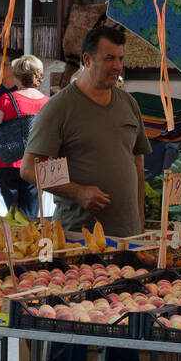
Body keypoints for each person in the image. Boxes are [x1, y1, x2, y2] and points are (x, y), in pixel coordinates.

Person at [21, 22, 150, 237]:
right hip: (79, 236)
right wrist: (78, 192)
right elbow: (28, 169)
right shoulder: (60, 107)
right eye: (109, 58)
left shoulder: (129, 103)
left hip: (129, 235)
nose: (117, 66)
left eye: (120, 58)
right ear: (87, 60)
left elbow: (136, 162)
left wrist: (139, 220)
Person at [0, 53, 47, 218]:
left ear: (17, 76)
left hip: (7, 165)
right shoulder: (48, 103)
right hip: (36, 166)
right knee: (31, 217)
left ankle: (13, 242)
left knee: (13, 217)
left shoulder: (6, 99)